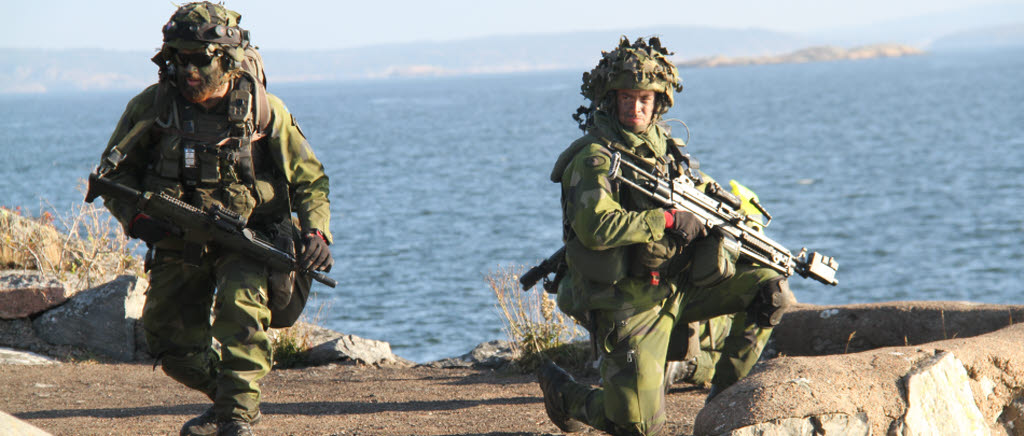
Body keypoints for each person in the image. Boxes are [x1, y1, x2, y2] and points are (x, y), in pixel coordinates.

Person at [94, 3, 333, 435]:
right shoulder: (153, 107)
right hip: (178, 235)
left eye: (199, 60)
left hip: (250, 234)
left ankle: (237, 420)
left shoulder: (263, 110)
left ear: (224, 59)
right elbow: (114, 174)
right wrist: (135, 219)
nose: (188, 71)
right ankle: (228, 403)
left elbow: (309, 179)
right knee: (167, 339)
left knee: (241, 309)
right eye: (178, 59)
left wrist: (316, 232)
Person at [537, 36, 795, 436]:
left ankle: (721, 409)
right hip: (626, 301)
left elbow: (702, 193)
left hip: (677, 285)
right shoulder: (594, 159)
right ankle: (567, 396)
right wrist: (667, 221)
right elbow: (597, 227)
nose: (636, 108)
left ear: (659, 102)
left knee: (770, 291)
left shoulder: (664, 151)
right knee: (639, 429)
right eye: (627, 98)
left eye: (645, 99)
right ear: (610, 99)